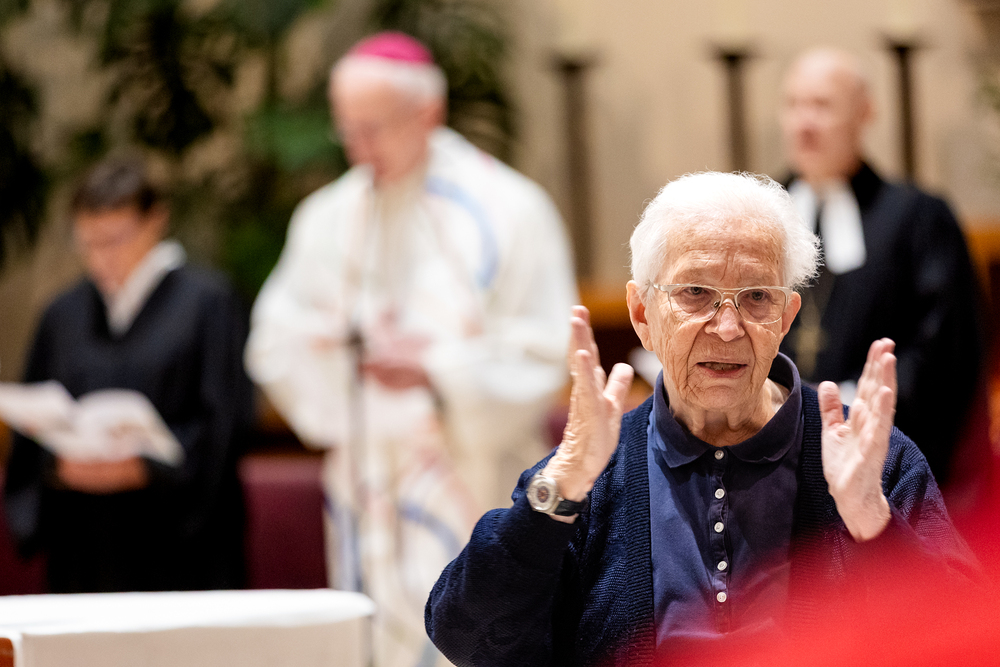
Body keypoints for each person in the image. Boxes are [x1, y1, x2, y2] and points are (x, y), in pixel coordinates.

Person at [425, 172, 976, 666]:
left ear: (787, 316)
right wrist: (560, 487)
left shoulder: (871, 460)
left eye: (756, 296)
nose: (728, 327)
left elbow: (964, 641)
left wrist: (873, 524)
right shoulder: (591, 470)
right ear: (642, 313)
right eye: (695, 293)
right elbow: (465, 638)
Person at [244, 32, 576, 667]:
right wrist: (336, 351)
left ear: (429, 112)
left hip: (468, 472)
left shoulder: (507, 209)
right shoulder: (329, 215)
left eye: (373, 128)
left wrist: (435, 369)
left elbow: (542, 352)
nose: (358, 147)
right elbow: (273, 341)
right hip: (366, 482)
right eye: (346, 129)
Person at [4, 155, 252, 593]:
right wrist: (57, 468)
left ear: (155, 221)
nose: (102, 257)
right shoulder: (63, 314)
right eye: (88, 241)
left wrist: (147, 469)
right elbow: (32, 439)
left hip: (175, 549)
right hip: (84, 542)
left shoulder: (206, 304)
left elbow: (224, 424)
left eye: (115, 239)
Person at [777, 48, 981, 484]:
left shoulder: (917, 217)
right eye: (793, 105)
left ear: (864, 113)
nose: (803, 123)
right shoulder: (759, 218)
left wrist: (858, 406)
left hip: (885, 458)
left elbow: (944, 350)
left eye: (821, 105)